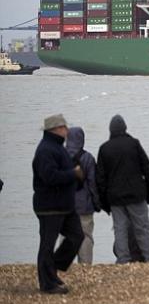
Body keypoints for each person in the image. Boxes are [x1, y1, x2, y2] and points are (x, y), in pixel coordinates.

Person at [32, 114, 85, 294]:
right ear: (55, 130)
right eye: (64, 127)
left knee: (77, 236)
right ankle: (47, 283)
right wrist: (73, 174)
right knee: (47, 245)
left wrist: (78, 178)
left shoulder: (58, 148)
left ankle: (52, 268)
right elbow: (50, 177)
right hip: (49, 207)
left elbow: (65, 173)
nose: (67, 130)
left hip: (64, 206)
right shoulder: (45, 150)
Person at [98, 114, 149, 263]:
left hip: (115, 198)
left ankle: (123, 259)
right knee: (142, 227)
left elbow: (100, 179)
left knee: (120, 230)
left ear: (110, 130)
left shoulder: (104, 149)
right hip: (136, 195)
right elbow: (147, 167)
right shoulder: (134, 144)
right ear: (125, 128)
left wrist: (104, 203)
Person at [66, 126, 100, 264]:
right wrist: (97, 203)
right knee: (86, 236)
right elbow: (93, 184)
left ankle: (64, 265)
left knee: (66, 235)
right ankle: (85, 265)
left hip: (65, 205)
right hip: (84, 205)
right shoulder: (88, 158)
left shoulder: (60, 156)